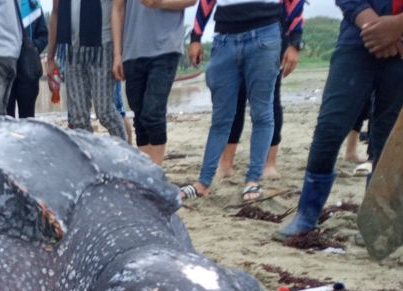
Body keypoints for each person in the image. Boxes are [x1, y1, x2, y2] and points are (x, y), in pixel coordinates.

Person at [274, 0, 403, 240]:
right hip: (357, 39)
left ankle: (375, 219)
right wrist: (374, 26)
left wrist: (399, 24)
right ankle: (306, 214)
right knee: (330, 126)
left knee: (391, 136)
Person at [180, 0, 304, 202]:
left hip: (266, 33)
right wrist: (196, 36)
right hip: (224, 38)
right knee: (221, 117)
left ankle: (253, 179)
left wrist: (295, 41)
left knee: (262, 112)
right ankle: (203, 182)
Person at [112, 0, 196, 165]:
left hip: (165, 47)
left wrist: (159, 3)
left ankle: (156, 172)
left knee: (153, 113)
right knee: (140, 116)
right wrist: (117, 54)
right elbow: (117, 8)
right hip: (132, 50)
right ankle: (147, 171)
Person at [46, 0, 127, 139]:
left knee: (106, 112)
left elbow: (119, 9)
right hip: (72, 51)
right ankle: (87, 157)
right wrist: (50, 58)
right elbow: (55, 12)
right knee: (78, 119)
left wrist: (118, 54)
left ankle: (126, 154)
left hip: (103, 48)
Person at [6, 6, 49, 118]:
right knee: (5, 119)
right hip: (5, 70)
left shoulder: (33, 6)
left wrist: (33, 48)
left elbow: (44, 36)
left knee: (28, 119)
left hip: (28, 71)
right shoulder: (0, 5)